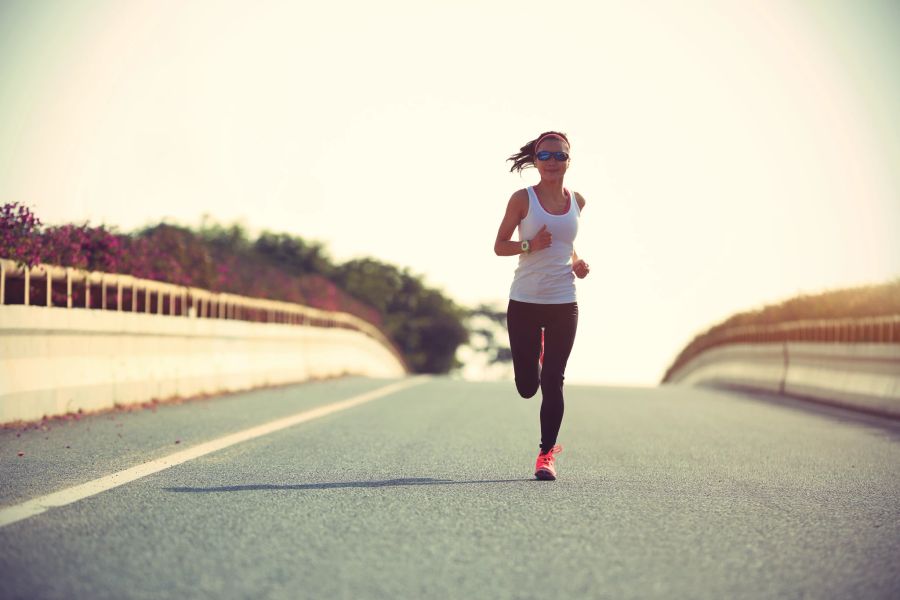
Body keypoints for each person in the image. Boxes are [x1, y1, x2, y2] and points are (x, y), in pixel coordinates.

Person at [494, 131, 590, 481]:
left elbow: (567, 246)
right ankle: (534, 356)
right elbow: (500, 245)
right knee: (527, 387)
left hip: (564, 301)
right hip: (525, 301)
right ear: (535, 161)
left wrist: (578, 264)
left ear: (569, 160)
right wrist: (528, 246)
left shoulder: (577, 201)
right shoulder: (523, 199)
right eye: (545, 156)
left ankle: (546, 455)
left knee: (554, 379)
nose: (552, 162)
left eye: (558, 155)